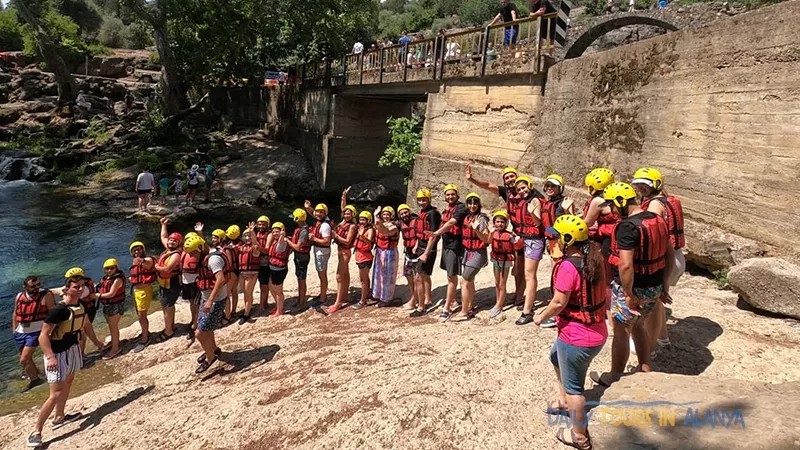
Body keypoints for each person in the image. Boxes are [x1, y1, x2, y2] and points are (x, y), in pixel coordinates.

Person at [533, 215, 608, 450]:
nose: (551, 241)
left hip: (577, 338)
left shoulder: (567, 266)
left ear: (567, 240)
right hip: (595, 331)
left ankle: (579, 436)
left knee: (576, 390)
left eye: (555, 237)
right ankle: (564, 400)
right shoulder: (593, 258)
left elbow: (558, 303)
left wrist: (540, 317)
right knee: (555, 356)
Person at [591, 183, 674, 387]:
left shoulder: (627, 227)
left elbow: (625, 265)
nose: (610, 210)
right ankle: (645, 367)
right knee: (638, 325)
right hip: (654, 286)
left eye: (612, 205)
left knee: (620, 330)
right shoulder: (657, 219)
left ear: (620, 202)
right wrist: (664, 285)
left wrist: (628, 294)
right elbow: (670, 255)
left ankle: (615, 376)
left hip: (632, 289)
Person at [26, 277, 87, 448]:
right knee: (55, 394)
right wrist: (50, 356)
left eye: (82, 286)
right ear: (67, 289)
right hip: (56, 354)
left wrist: (94, 343)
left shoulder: (79, 305)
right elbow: (43, 336)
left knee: (69, 381)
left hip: (71, 350)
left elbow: (84, 326)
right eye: (76, 287)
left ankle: (59, 417)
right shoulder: (58, 310)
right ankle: (36, 431)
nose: (80, 289)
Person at [631, 167, 685, 354]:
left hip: (664, 259)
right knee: (658, 300)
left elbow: (650, 232)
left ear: (655, 184)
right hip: (677, 257)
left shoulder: (654, 205)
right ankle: (662, 337)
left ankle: (649, 346)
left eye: (644, 185)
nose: (640, 188)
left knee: (651, 305)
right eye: (638, 184)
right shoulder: (670, 200)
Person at [465, 164, 526, 309]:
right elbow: (488, 185)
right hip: (517, 232)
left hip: (528, 235)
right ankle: (516, 295)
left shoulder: (526, 191)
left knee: (522, 268)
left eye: (512, 176)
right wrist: (471, 179)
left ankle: (519, 296)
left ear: (517, 177)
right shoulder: (506, 192)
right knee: (517, 268)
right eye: (507, 177)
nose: (510, 179)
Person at [184, 235, 229, 374]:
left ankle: (210, 358)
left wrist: (210, 301)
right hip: (206, 297)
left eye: (193, 253)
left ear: (200, 248)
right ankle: (213, 350)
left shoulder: (213, 260)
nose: (191, 256)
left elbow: (220, 279)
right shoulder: (205, 252)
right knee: (207, 329)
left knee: (199, 333)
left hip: (215, 300)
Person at [507, 176, 547, 326]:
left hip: (534, 241)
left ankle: (527, 311)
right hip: (525, 239)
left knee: (529, 275)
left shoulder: (535, 201)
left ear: (530, 186)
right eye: (519, 189)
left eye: (523, 188)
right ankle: (526, 303)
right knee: (525, 273)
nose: (521, 191)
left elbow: (538, 223)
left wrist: (531, 212)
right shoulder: (525, 201)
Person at [426, 184, 468, 321]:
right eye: (448, 194)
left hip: (456, 246)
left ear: (457, 195)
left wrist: (435, 233)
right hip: (447, 245)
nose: (450, 197)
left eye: (452, 194)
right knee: (450, 275)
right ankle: (454, 299)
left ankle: (447, 307)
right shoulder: (446, 209)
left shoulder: (461, 208)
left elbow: (451, 223)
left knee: (452, 276)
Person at [12, 276, 54, 392]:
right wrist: (14, 329)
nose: (36, 288)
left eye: (38, 285)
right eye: (33, 286)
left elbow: (52, 314)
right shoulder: (19, 296)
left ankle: (35, 380)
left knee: (24, 359)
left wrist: (49, 331)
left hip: (36, 332)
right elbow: (15, 313)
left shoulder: (46, 295)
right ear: (25, 287)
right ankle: (35, 376)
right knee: (27, 359)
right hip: (21, 332)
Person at [457, 193, 491, 321]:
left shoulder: (481, 219)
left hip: (477, 253)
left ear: (479, 204)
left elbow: (487, 239)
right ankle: (470, 306)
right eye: (470, 203)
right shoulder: (466, 217)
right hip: (467, 252)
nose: (472, 206)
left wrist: (476, 230)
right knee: (469, 280)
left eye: (475, 203)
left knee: (464, 281)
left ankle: (464, 312)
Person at [411, 188, 442, 318]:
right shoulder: (422, 212)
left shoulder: (433, 214)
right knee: (424, 276)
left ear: (429, 200)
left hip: (428, 249)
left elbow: (433, 235)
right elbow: (422, 231)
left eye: (424, 200)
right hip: (421, 247)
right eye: (420, 200)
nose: (422, 202)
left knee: (418, 277)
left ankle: (421, 307)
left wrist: (426, 253)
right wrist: (417, 245)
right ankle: (428, 300)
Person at [61, 268, 104, 355]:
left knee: (82, 332)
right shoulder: (85, 283)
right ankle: (91, 347)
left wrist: (63, 295)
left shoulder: (84, 289)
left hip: (87, 310)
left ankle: (82, 352)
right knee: (82, 331)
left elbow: (71, 297)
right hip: (87, 308)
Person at [488, 210, 520, 318]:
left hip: (506, 261)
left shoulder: (510, 236)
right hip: (496, 260)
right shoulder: (494, 233)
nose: (499, 224)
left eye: (502, 222)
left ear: (506, 223)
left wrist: (515, 265)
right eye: (497, 222)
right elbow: (488, 241)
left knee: (502, 283)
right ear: (494, 223)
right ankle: (499, 303)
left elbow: (515, 250)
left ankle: (499, 306)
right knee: (497, 282)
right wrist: (491, 233)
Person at [155, 218, 183, 342]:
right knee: (166, 306)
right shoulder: (169, 249)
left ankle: (168, 331)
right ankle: (171, 325)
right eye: (171, 240)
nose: (171, 242)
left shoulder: (176, 255)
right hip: (165, 284)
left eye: (174, 241)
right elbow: (163, 236)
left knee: (168, 306)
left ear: (178, 243)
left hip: (171, 284)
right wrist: (163, 225)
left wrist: (154, 266)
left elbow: (167, 269)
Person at [331, 190, 357, 313]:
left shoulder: (352, 226)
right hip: (340, 250)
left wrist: (335, 235)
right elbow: (343, 208)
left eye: (349, 214)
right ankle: (345, 295)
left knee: (339, 276)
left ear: (353, 215)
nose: (346, 215)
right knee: (345, 274)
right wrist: (344, 196)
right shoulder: (343, 221)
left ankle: (338, 302)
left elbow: (347, 241)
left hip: (345, 251)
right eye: (345, 213)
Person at [129, 241, 157, 353]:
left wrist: (141, 261)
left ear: (143, 250)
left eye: (139, 249)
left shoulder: (147, 259)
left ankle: (145, 339)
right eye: (134, 250)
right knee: (138, 314)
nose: (137, 252)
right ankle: (145, 332)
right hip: (136, 290)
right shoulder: (135, 262)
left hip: (144, 290)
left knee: (142, 315)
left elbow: (149, 263)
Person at [541, 174, 576, 261]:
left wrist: (566, 209)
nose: (549, 188)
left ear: (559, 188)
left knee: (558, 267)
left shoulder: (565, 202)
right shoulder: (548, 203)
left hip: (562, 240)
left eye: (553, 186)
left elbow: (573, 223)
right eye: (547, 185)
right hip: (551, 239)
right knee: (555, 268)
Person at [95, 259, 125, 360]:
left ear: (116, 268)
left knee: (113, 327)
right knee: (111, 325)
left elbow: (111, 294)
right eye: (107, 268)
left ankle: (115, 348)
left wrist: (96, 296)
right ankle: (114, 341)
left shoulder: (117, 280)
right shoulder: (106, 278)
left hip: (116, 305)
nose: (109, 270)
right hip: (108, 306)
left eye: (112, 268)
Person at [372, 206, 400, 307]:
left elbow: (385, 231)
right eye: (384, 214)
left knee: (387, 276)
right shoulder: (381, 223)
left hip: (389, 252)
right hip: (380, 251)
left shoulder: (395, 226)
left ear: (391, 215)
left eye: (388, 214)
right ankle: (379, 295)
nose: (386, 216)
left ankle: (387, 299)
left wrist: (376, 216)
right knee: (379, 275)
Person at [308, 203, 333, 305]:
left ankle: (323, 297)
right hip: (319, 251)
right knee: (320, 274)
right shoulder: (320, 221)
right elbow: (312, 213)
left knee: (322, 275)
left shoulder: (325, 225)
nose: (318, 214)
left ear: (325, 213)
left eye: (320, 212)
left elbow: (327, 241)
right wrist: (308, 207)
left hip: (322, 252)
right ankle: (322, 293)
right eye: (317, 212)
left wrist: (314, 239)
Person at [287, 209, 312, 309]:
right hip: (299, 257)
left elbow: (297, 247)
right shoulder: (301, 229)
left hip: (302, 259)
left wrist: (287, 240)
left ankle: (302, 302)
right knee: (299, 278)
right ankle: (300, 299)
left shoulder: (304, 231)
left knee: (301, 280)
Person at [265, 222, 291, 316]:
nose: (275, 233)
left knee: (278, 291)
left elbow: (280, 245)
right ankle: (278, 306)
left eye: (277, 231)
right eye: (274, 232)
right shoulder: (275, 241)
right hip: (273, 268)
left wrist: (282, 235)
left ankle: (280, 311)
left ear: (282, 232)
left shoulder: (283, 241)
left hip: (279, 269)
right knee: (271, 286)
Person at [181, 230, 203, 342]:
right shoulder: (184, 252)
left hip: (195, 281)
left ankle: (195, 323)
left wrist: (200, 233)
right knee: (191, 302)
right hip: (186, 281)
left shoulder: (200, 253)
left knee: (196, 302)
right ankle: (193, 319)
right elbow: (165, 239)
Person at [237, 224, 261, 324]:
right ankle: (248, 308)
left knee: (248, 293)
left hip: (252, 274)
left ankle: (246, 314)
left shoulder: (254, 248)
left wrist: (252, 232)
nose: (247, 238)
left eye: (249, 236)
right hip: (242, 273)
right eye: (245, 236)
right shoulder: (241, 247)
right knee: (245, 294)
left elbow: (255, 245)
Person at [352, 211, 376, 310]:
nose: (361, 221)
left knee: (363, 280)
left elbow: (370, 243)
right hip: (360, 256)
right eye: (361, 219)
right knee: (365, 279)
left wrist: (362, 236)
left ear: (368, 220)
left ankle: (363, 301)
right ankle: (367, 294)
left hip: (365, 257)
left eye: (364, 219)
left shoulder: (370, 230)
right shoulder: (360, 228)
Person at [397, 204, 419, 310]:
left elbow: (421, 234)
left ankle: (416, 299)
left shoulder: (416, 221)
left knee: (417, 278)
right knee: (409, 277)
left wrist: (416, 245)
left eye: (405, 212)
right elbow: (387, 229)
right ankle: (413, 298)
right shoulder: (400, 223)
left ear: (409, 212)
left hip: (417, 253)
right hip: (408, 254)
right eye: (401, 213)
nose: (404, 215)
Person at [253, 215, 272, 312]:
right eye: (259, 224)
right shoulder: (256, 234)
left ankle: (262, 305)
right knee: (263, 284)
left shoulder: (269, 235)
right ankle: (264, 303)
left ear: (267, 225)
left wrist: (258, 247)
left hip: (265, 263)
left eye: (263, 224)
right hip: (258, 263)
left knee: (263, 285)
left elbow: (267, 250)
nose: (260, 226)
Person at [224, 225, 242, 321]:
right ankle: (233, 311)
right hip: (237, 271)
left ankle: (227, 315)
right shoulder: (239, 245)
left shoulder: (227, 247)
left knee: (226, 294)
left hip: (231, 273)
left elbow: (229, 263)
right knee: (234, 292)